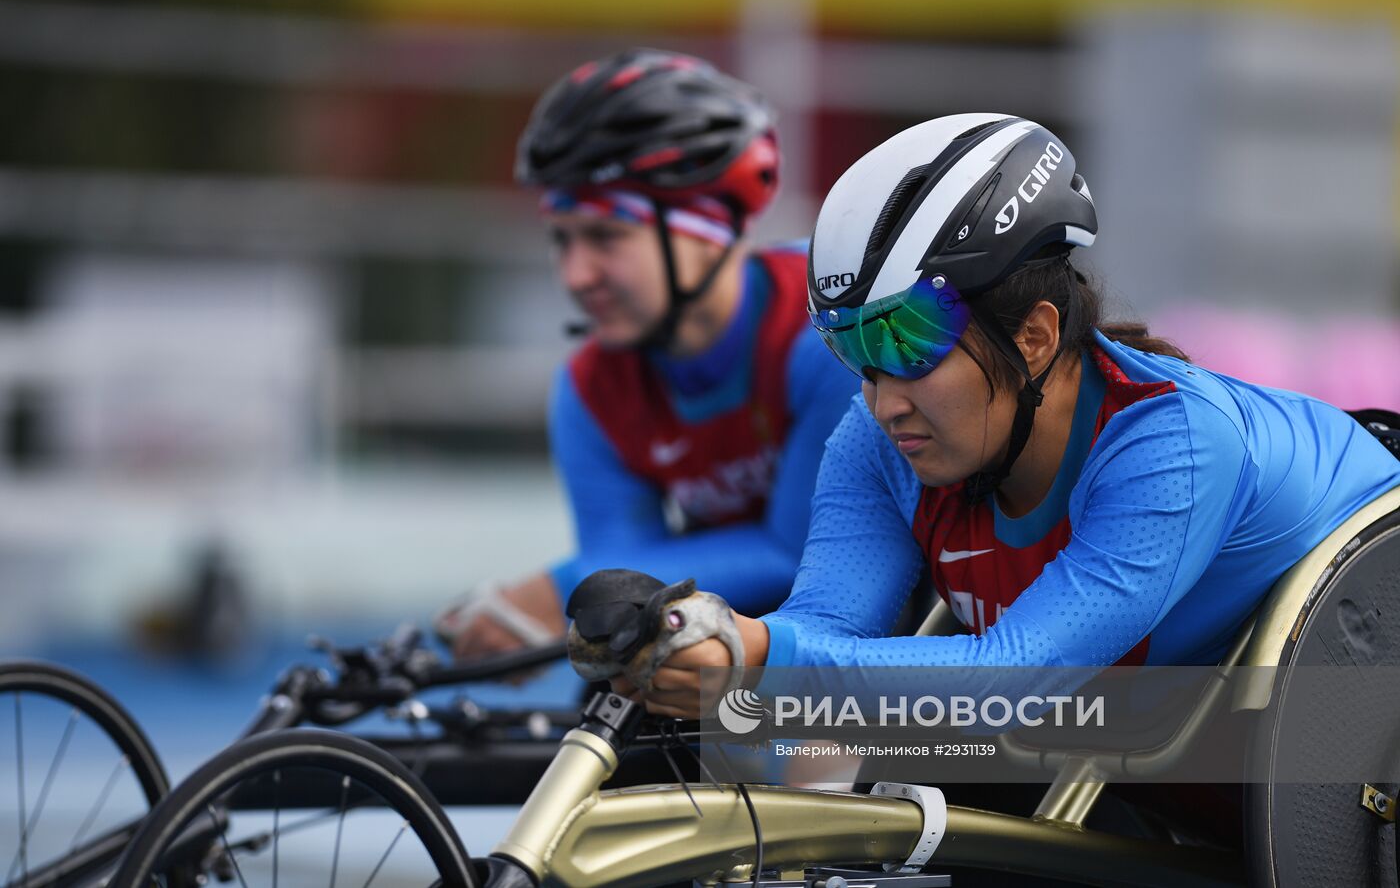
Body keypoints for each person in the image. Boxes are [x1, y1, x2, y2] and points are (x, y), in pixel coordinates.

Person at [618, 112, 1400, 716]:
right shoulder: (883, 431)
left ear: (1034, 338)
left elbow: (1019, 673)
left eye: (909, 340)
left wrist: (758, 656)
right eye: (854, 349)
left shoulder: (1177, 444)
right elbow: (826, 625)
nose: (883, 400)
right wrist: (704, 646)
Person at [435, 49, 857, 660]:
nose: (576, 275)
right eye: (563, 239)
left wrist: (558, 594)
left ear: (704, 226)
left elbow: (803, 556)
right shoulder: (589, 392)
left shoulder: (829, 329)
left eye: (606, 236)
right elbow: (623, 574)